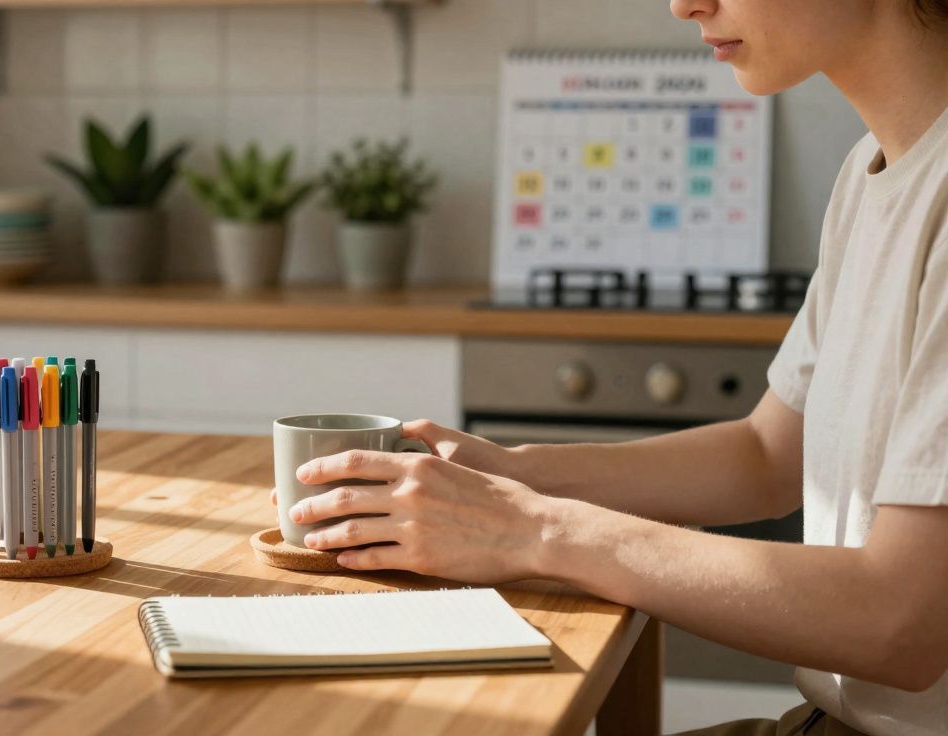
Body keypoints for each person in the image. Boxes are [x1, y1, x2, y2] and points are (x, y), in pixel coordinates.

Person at [283, 0, 948, 733]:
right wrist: (515, 474)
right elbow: (768, 455)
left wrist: (532, 529)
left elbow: (901, 623)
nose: (683, 2)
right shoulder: (871, 170)